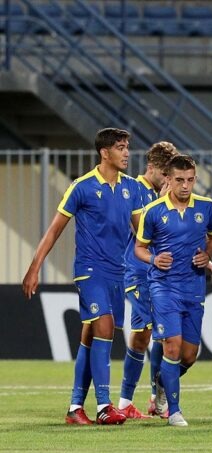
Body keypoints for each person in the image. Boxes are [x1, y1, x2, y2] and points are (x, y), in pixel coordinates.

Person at [22, 127, 143, 425]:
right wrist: (35, 267)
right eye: (120, 147)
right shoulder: (82, 187)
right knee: (103, 326)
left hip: (118, 273)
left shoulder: (131, 188)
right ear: (104, 152)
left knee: (92, 336)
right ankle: (104, 406)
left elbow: (143, 233)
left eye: (127, 147)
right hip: (90, 270)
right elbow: (54, 230)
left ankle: (75, 408)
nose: (126, 153)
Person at [135, 154, 212, 427]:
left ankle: (162, 382)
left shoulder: (207, 207)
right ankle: (174, 411)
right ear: (168, 180)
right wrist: (153, 259)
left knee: (189, 355)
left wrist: (207, 255)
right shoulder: (153, 211)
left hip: (193, 287)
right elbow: (139, 248)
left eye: (190, 180)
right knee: (171, 347)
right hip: (163, 287)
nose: (186, 186)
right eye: (180, 180)